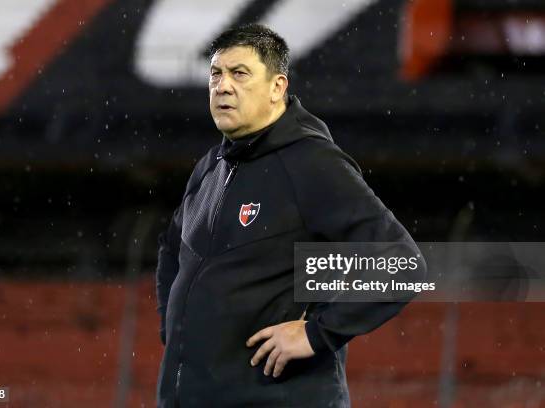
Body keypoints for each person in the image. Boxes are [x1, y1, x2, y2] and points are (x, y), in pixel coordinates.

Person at [155, 23, 425, 407]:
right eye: (216, 73)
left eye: (240, 74)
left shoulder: (312, 163)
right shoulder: (210, 167)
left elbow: (402, 265)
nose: (223, 86)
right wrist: (177, 330)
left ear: (277, 87)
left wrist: (318, 334)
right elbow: (171, 251)